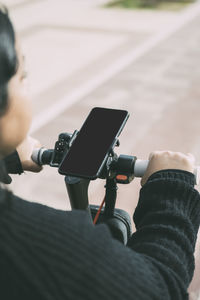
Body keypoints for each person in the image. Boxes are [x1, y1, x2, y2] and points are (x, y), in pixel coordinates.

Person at [0, 6, 200, 300]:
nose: (27, 83)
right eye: (23, 75)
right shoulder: (32, 245)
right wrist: (172, 192)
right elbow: (160, 289)